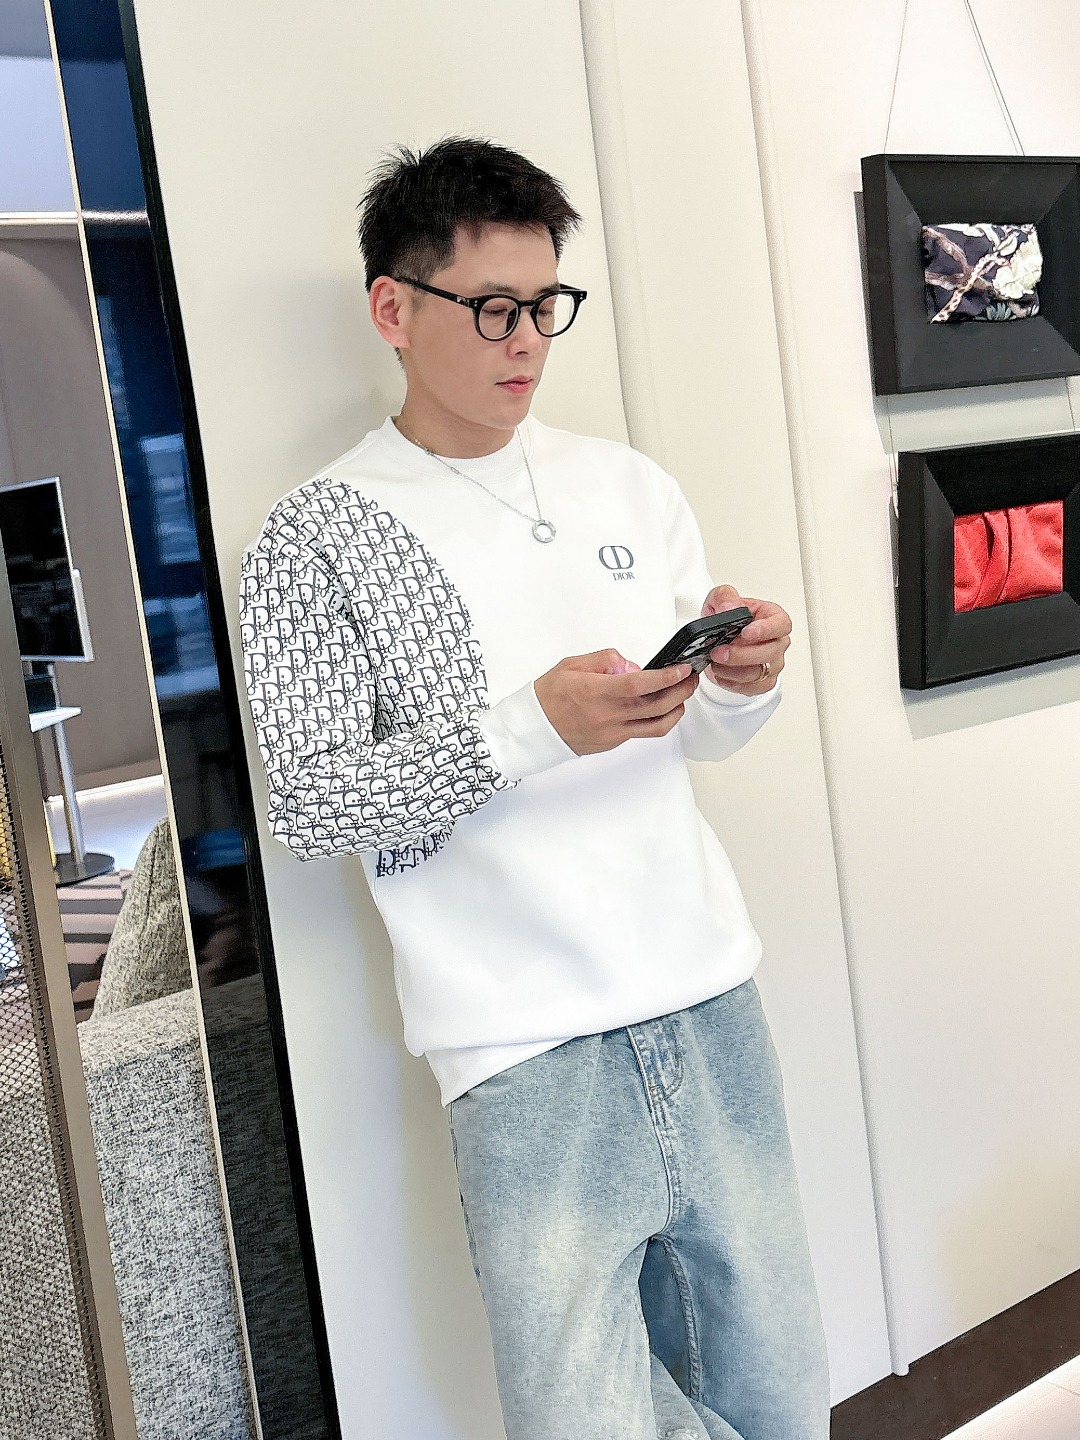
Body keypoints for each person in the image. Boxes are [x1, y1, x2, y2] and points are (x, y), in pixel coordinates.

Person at [239, 137, 829, 1440]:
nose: (526, 342)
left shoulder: (628, 483)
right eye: (493, 308)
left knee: (782, 1397)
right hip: (521, 1050)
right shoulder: (317, 536)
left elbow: (698, 744)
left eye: (546, 305)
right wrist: (529, 728)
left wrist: (741, 683)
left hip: (709, 999)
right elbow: (312, 803)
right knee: (586, 1421)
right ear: (394, 308)